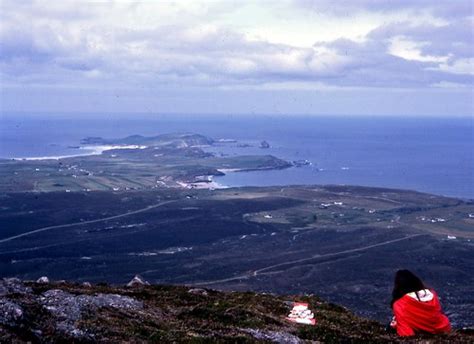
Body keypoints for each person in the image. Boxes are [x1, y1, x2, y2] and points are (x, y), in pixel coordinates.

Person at [390, 269, 451, 337]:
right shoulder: (432, 294)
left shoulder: (399, 304)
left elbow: (406, 332)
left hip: (423, 331)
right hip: (443, 327)